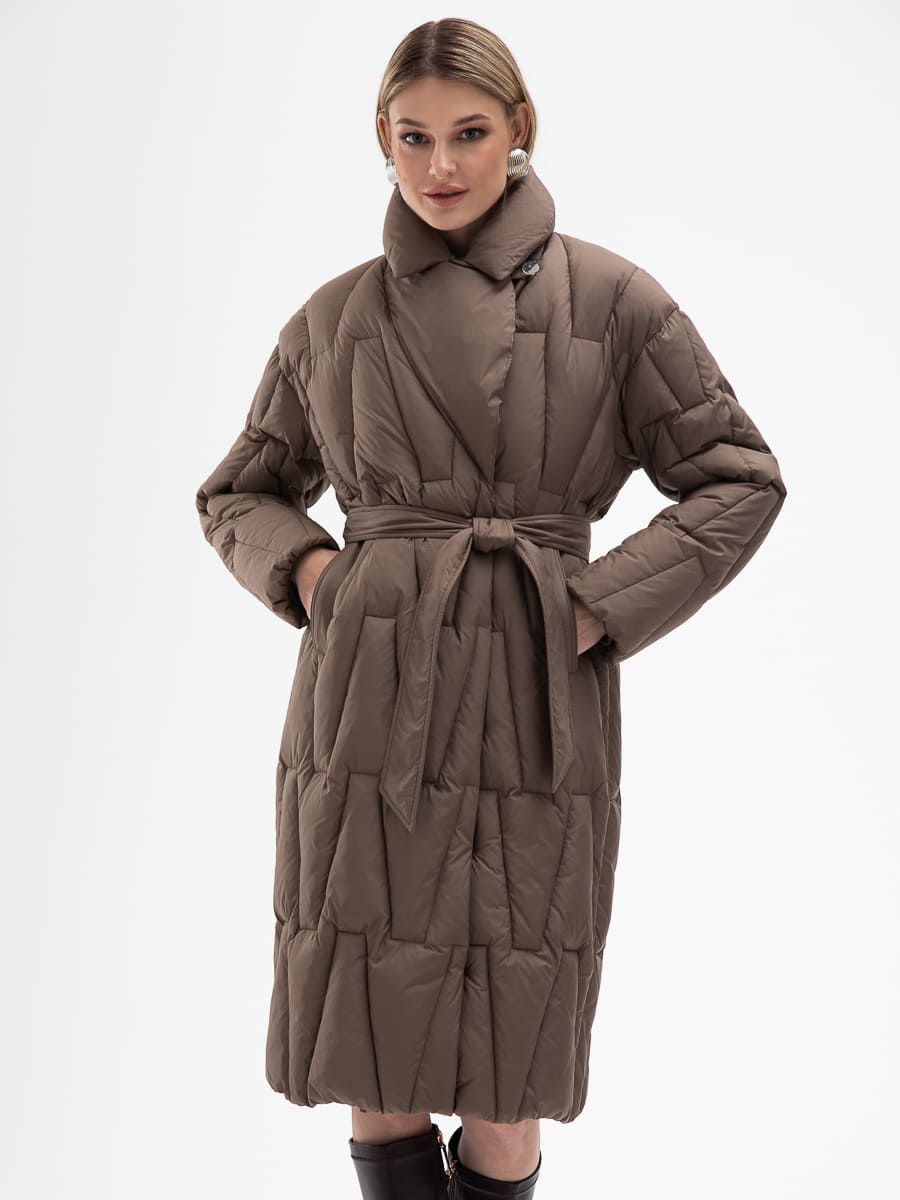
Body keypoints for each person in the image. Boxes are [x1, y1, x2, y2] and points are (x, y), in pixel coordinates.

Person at [194, 17, 787, 1200]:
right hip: (372, 710)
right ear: (382, 139)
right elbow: (238, 492)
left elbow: (738, 478)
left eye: (469, 133)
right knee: (376, 1065)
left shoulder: (615, 302)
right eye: (414, 138)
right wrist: (318, 578)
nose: (441, 166)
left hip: (533, 699)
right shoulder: (334, 319)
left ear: (520, 130)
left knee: (511, 1097)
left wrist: (597, 605)